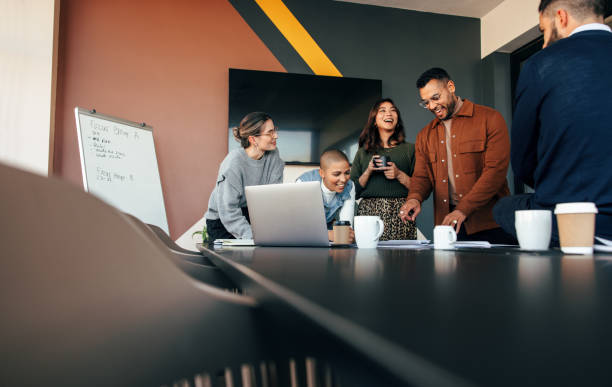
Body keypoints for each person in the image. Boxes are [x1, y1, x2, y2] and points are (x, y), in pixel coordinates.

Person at [493, 0, 612, 241]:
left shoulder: (541, 63)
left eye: (544, 31)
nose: (545, 42)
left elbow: (523, 163)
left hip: (574, 218)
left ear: (561, 17)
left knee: (503, 208)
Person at [399, 68, 515, 244]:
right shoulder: (425, 135)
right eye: (426, 102)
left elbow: (495, 172)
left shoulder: (490, 119)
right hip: (449, 226)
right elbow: (422, 175)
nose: (431, 106)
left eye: (435, 98)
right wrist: (414, 198)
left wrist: (463, 210)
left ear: (451, 87)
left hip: (492, 223)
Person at [205, 112, 284, 241]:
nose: (276, 135)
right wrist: (251, 238)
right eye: (270, 132)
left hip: (250, 214)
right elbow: (228, 210)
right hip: (222, 221)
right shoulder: (233, 163)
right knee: (245, 257)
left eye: (274, 130)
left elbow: (271, 197)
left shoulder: (273, 155)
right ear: (253, 139)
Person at [350, 98, 416, 240]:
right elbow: (351, 192)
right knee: (367, 260)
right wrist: (368, 171)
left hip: (401, 213)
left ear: (397, 120)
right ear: (374, 120)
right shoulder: (363, 152)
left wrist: (399, 174)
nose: (389, 113)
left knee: (402, 260)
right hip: (369, 214)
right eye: (383, 110)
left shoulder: (410, 149)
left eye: (393, 110)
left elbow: (420, 188)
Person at [297, 149, 356, 243]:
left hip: (326, 236)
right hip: (306, 239)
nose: (344, 179)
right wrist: (328, 234)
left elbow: (345, 229)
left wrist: (345, 235)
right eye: (336, 174)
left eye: (347, 173)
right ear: (322, 173)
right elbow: (298, 227)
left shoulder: (350, 186)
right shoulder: (304, 183)